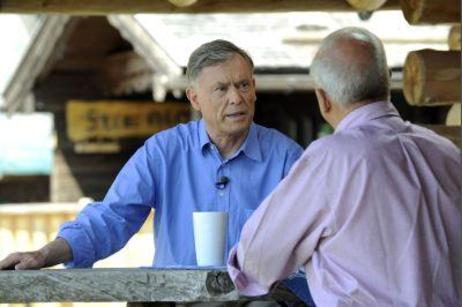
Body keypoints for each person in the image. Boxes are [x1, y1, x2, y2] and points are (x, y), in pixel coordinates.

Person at [0, 40, 303, 272]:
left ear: (254, 90)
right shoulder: (164, 152)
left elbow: (320, 231)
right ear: (195, 98)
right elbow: (111, 218)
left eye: (243, 85)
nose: (236, 97)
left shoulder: (286, 157)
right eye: (221, 89)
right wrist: (44, 254)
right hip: (179, 300)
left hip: (259, 300)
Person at [228, 27, 462, 306]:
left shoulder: (331, 159)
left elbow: (257, 260)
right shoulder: (446, 152)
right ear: (387, 81)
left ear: (323, 99)